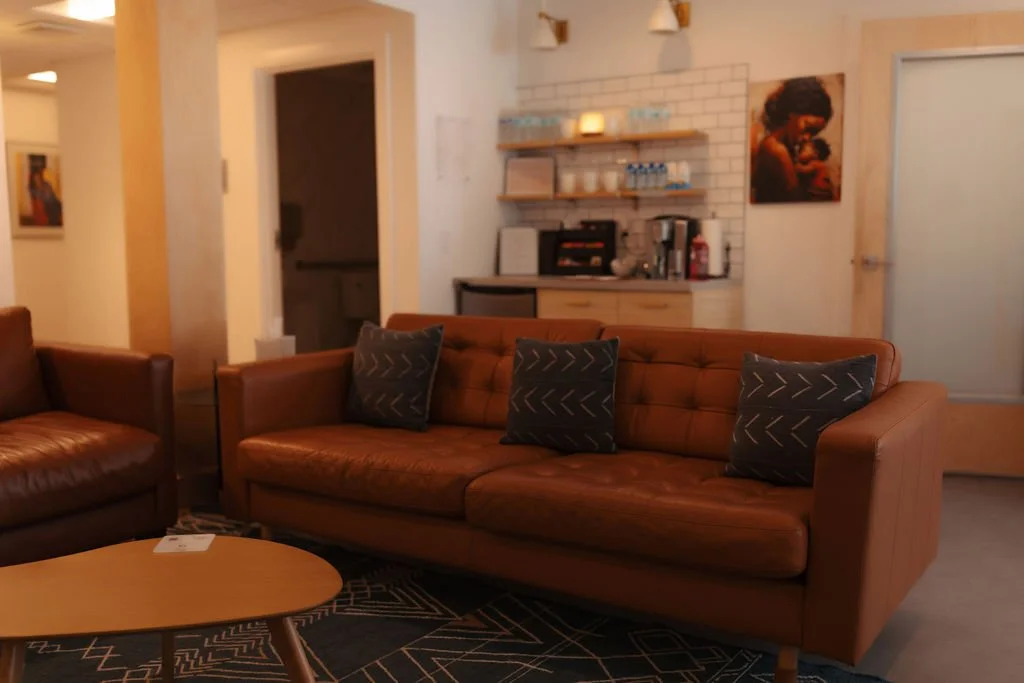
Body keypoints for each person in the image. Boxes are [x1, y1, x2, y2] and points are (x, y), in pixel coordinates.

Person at [750, 76, 834, 203]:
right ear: (792, 114)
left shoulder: (787, 148)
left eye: (814, 133)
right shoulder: (776, 150)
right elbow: (795, 198)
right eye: (807, 128)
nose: (807, 138)